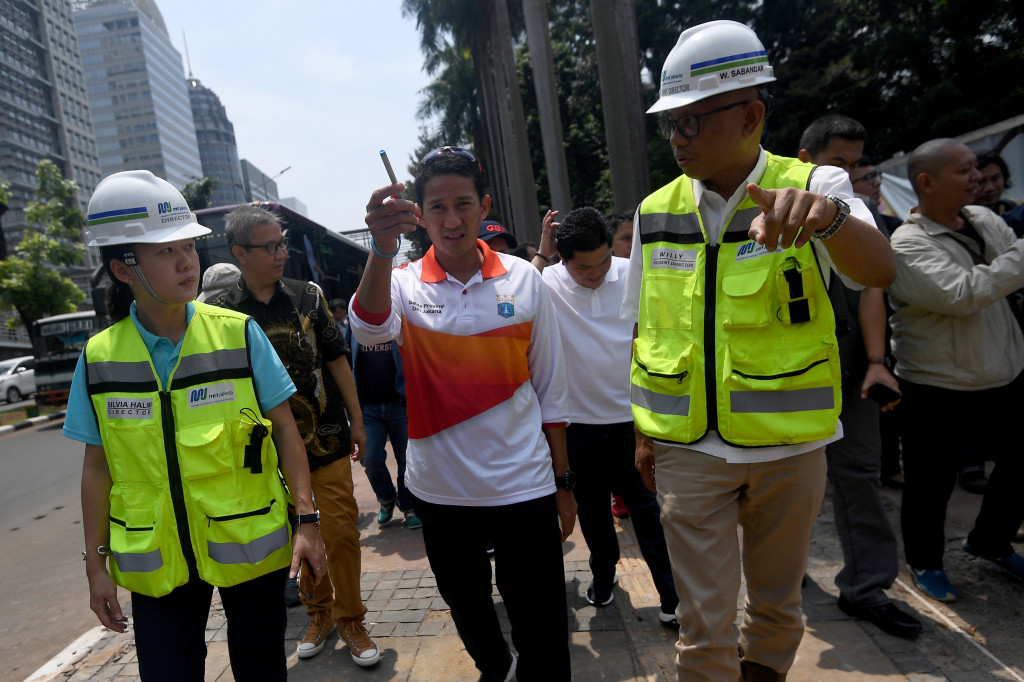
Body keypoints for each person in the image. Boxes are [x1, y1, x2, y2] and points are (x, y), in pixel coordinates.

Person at [623, 21, 895, 681]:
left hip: (790, 449)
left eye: (692, 123)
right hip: (690, 451)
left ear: (750, 115)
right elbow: (640, 326)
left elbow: (879, 271)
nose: (678, 139)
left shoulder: (815, 185)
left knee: (775, 610)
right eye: (670, 126)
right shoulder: (655, 212)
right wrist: (645, 433)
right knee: (701, 629)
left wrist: (827, 220)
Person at [65, 170, 327, 681]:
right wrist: (97, 567)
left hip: (247, 542)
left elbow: (285, 430)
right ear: (123, 270)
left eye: (188, 246)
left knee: (262, 670)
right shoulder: (99, 358)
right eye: (166, 252)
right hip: (155, 559)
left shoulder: (238, 334)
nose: (188, 261)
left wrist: (307, 522)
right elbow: (96, 469)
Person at [352, 145, 576, 681]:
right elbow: (370, 328)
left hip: (524, 486)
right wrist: (381, 249)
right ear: (419, 214)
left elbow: (551, 389)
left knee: (542, 622)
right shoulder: (403, 283)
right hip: (441, 491)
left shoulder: (525, 280)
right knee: (468, 608)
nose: (451, 220)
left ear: (484, 205)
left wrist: (563, 482)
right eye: (437, 208)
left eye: (463, 204)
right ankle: (496, 669)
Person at [209, 205, 378, 668]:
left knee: (341, 532)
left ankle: (352, 618)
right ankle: (318, 612)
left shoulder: (308, 296)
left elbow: (337, 359)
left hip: (323, 438)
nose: (282, 253)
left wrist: (358, 422)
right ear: (240, 253)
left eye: (283, 244)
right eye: (271, 247)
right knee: (295, 540)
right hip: (262, 455)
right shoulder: (220, 314)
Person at [797, 119, 921, 638]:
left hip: (850, 371)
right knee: (776, 484)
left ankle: (867, 586)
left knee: (860, 476)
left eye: (857, 164)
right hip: (790, 377)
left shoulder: (860, 218)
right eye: (837, 162)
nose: (849, 173)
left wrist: (876, 361)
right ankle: (780, 572)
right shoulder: (774, 210)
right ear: (806, 160)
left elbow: (873, 284)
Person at [888, 139, 1024, 602]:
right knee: (931, 481)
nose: (980, 180)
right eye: (966, 172)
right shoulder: (907, 243)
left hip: (1002, 372)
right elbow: (961, 294)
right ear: (927, 183)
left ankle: (989, 540)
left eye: (981, 172)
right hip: (936, 383)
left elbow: (1004, 276)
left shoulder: (984, 219)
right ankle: (925, 562)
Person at [541, 206, 678, 624]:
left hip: (631, 424)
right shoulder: (548, 282)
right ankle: (603, 576)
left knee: (650, 514)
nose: (596, 272)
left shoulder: (632, 273)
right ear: (564, 260)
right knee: (593, 515)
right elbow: (510, 293)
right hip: (577, 427)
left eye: (602, 262)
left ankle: (672, 598)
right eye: (583, 267)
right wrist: (544, 253)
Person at [343, 321, 419, 529]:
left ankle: (408, 505)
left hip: (399, 404)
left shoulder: (397, 319)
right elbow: (345, 359)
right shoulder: (356, 322)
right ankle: (386, 498)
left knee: (406, 461)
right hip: (368, 408)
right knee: (370, 459)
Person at [974, 150, 1021, 217]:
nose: (990, 188)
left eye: (995, 178)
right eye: (980, 182)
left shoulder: (1013, 208)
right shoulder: (959, 221)